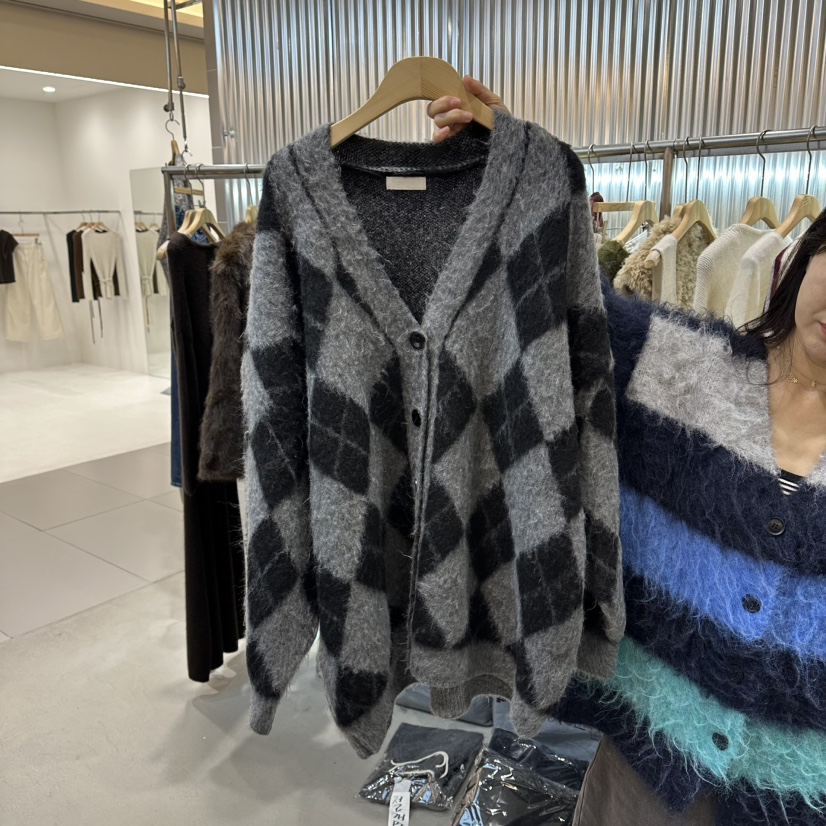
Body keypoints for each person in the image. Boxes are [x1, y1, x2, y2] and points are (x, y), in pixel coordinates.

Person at [428, 81, 826, 826]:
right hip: (646, 770)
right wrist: (522, 174)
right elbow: (574, 308)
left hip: (798, 797)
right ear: (808, 256)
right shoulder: (689, 368)